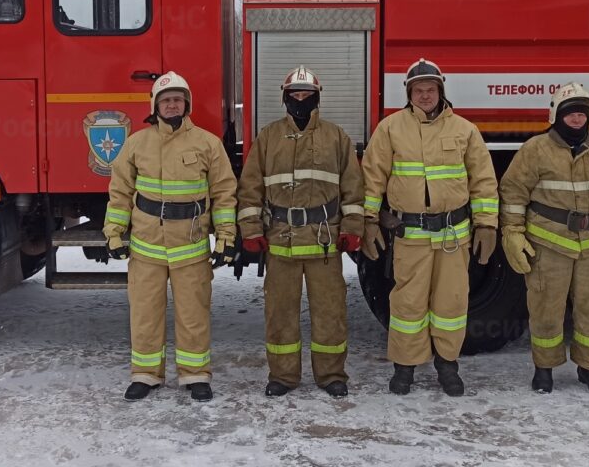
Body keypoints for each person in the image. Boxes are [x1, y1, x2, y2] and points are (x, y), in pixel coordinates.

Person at [361, 58, 498, 396]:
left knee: (451, 304)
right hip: (411, 236)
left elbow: (484, 181)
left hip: (454, 236)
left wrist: (487, 226)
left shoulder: (465, 130)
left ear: (440, 91)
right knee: (408, 305)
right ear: (409, 94)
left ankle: (447, 366)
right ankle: (405, 368)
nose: (425, 95)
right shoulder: (391, 128)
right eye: (418, 90)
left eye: (430, 89)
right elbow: (371, 178)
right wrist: (368, 221)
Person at [103, 71, 239, 402]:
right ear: (156, 106)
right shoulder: (137, 143)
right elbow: (120, 191)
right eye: (166, 100)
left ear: (186, 104)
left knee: (193, 314)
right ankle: (145, 374)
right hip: (147, 246)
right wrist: (114, 233)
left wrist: (226, 237)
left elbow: (223, 193)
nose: (172, 105)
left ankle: (195, 375)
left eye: (178, 99)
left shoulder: (208, 143)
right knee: (145, 312)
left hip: (190, 246)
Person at [499, 83, 589, 395]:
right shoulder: (535, 150)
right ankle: (544, 369)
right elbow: (513, 193)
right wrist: (513, 232)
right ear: (556, 115)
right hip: (549, 246)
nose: (576, 118)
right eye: (570, 112)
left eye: (582, 113)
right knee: (546, 309)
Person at [237, 66, 364, 398]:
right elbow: (249, 189)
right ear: (285, 98)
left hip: (324, 242)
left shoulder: (337, 137)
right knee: (279, 313)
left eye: (308, 95)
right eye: (295, 95)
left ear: (318, 97)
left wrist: (352, 228)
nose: (301, 100)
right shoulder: (268, 138)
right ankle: (283, 375)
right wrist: (250, 229)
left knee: (330, 312)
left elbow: (354, 190)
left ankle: (331, 374)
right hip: (281, 239)